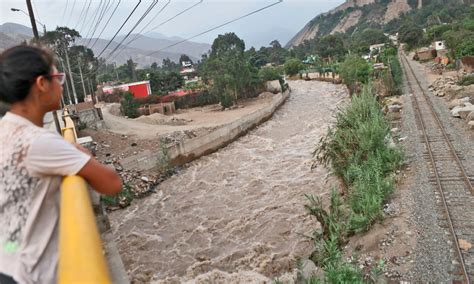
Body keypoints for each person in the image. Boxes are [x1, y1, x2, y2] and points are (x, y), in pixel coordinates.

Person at [0, 45, 122, 283]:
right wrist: (82, 153)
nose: (61, 85)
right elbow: (112, 183)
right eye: (58, 77)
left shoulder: (6, 130)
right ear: (41, 84)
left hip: (7, 259)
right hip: (27, 274)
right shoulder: (38, 141)